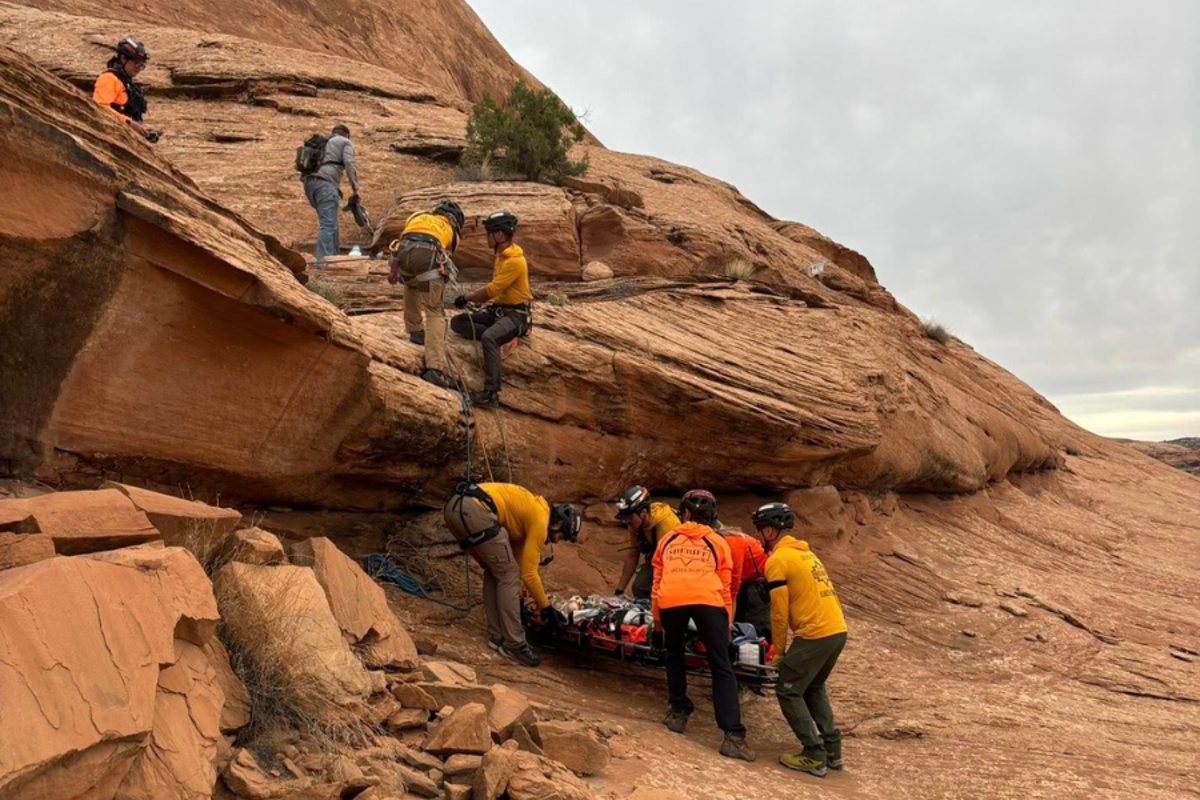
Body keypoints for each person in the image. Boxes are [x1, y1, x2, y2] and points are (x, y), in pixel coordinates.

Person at [651, 490, 756, 762]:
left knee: (673, 654)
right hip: (708, 602)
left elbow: (657, 583)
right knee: (721, 667)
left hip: (671, 599)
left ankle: (678, 712)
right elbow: (728, 586)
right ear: (712, 517)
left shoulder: (667, 539)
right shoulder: (717, 542)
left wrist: (657, 622)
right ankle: (733, 736)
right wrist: (726, 627)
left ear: (683, 513)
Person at [753, 502, 847, 778]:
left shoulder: (778, 561)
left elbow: (779, 614)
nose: (758, 537)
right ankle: (832, 749)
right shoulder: (806, 554)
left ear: (769, 531)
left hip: (815, 635)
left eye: (759, 531)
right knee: (813, 686)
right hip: (836, 631)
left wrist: (778, 652)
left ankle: (813, 753)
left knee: (788, 689)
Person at [442, 481, 580, 668]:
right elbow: (528, 573)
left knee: (496, 571)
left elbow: (515, 562)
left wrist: (519, 600)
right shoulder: (541, 520)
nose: (556, 542)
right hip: (476, 510)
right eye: (562, 536)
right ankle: (514, 644)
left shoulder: (530, 515)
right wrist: (546, 607)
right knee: (508, 576)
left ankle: (497, 637)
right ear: (556, 524)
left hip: (454, 508)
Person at [449, 210, 532, 407]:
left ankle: (491, 394)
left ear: (500, 235)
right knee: (458, 322)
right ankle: (502, 338)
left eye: (489, 234)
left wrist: (466, 297)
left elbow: (492, 290)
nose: (486, 238)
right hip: (499, 312)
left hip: (516, 316)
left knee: (489, 338)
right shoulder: (502, 256)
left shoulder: (514, 261)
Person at [387, 201, 466, 388]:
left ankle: (415, 330)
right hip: (428, 256)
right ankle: (434, 368)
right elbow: (445, 257)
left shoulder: (417, 216)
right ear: (454, 221)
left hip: (403, 253)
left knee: (411, 284)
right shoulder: (452, 233)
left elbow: (406, 232)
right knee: (434, 311)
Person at [302, 124, 360, 263]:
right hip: (325, 185)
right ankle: (324, 263)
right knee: (328, 224)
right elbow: (349, 164)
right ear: (346, 135)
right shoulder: (344, 142)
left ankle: (334, 257)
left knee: (331, 222)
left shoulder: (323, 141)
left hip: (310, 184)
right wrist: (355, 189)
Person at [612, 485, 680, 599]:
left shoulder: (667, 526)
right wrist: (619, 591)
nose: (626, 521)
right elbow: (632, 556)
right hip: (657, 555)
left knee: (663, 592)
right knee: (640, 587)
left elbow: (673, 565)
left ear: (643, 513)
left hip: (676, 559)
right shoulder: (636, 524)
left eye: (629, 517)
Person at [92, 37, 154, 140]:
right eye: (136, 63)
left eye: (141, 65)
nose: (138, 68)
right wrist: (129, 123)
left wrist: (144, 131)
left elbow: (130, 116)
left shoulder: (126, 83)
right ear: (123, 58)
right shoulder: (108, 78)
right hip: (109, 136)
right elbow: (99, 107)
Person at [720, 524, 770, 635]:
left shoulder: (732, 544)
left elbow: (733, 588)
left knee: (757, 624)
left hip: (761, 580)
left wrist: (726, 628)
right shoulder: (725, 540)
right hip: (749, 578)